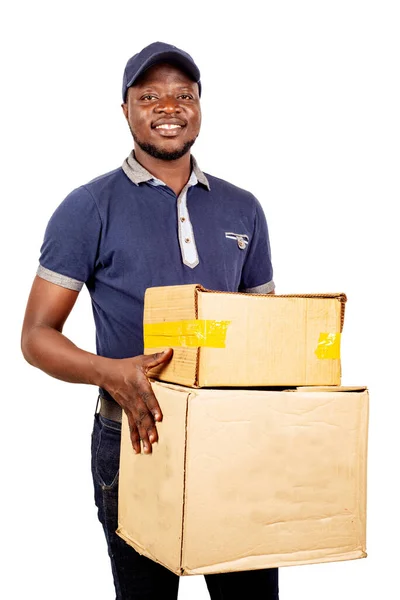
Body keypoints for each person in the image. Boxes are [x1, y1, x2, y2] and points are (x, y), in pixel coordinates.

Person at [21, 41, 278, 599]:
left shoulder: (243, 208)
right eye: (150, 95)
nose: (169, 107)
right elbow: (36, 337)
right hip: (137, 439)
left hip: (232, 438)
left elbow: (267, 331)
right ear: (126, 110)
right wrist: (112, 372)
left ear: (200, 105)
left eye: (183, 94)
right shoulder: (88, 206)